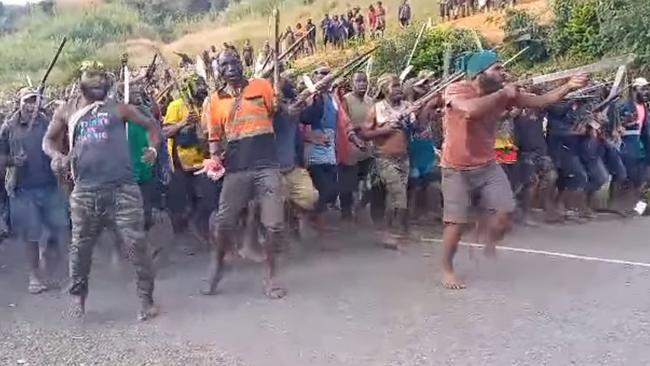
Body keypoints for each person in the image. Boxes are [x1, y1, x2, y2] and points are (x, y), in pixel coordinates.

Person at [440, 50, 587, 289]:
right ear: (480, 73)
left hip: (487, 165)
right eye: (497, 68)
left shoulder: (504, 95)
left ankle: (486, 231)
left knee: (506, 214)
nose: (503, 72)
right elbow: (470, 110)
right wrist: (502, 93)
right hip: (455, 168)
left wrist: (569, 86)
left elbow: (542, 101)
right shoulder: (457, 90)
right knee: (455, 225)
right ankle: (447, 269)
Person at [42, 60, 161, 320]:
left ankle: (146, 299)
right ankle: (78, 297)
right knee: (80, 248)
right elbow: (48, 140)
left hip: (123, 188)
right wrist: (56, 156)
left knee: (136, 244)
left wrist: (152, 149)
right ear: (81, 84)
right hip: (85, 190)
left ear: (107, 86)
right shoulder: (66, 111)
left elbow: (153, 127)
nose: (97, 85)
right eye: (91, 80)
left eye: (101, 81)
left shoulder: (119, 109)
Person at [202, 48, 286, 299]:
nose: (231, 67)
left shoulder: (262, 86)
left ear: (242, 63)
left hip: (267, 166)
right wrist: (215, 158)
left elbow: (274, 113)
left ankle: (271, 277)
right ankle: (217, 266)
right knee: (223, 223)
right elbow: (214, 136)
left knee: (274, 225)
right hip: (237, 168)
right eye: (225, 64)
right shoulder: (215, 101)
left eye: (234, 61)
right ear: (219, 71)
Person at [0, 88, 68, 294]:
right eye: (27, 101)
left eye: (35, 102)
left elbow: (59, 145)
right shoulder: (8, 128)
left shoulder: (48, 123)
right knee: (31, 235)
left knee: (59, 228)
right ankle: (34, 277)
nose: (31, 106)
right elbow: (1, 157)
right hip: (22, 190)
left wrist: (58, 159)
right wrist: (12, 161)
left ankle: (48, 266)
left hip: (49, 186)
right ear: (19, 103)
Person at [163, 74, 219, 251]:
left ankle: (202, 231)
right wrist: (183, 123)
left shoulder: (205, 105)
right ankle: (186, 240)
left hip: (203, 161)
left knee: (209, 201)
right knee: (186, 203)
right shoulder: (176, 106)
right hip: (181, 164)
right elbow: (165, 132)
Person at [360, 74, 414, 249]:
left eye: (399, 85)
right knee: (399, 196)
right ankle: (393, 233)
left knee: (394, 198)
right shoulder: (377, 108)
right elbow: (365, 133)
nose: (398, 89)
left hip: (404, 159)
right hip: (384, 159)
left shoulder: (407, 107)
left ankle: (389, 232)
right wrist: (384, 130)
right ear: (385, 90)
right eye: (394, 86)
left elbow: (417, 128)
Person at [341, 72, 374, 220]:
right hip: (350, 149)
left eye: (364, 81)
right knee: (348, 184)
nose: (362, 84)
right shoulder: (346, 100)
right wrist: (359, 127)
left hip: (367, 150)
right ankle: (346, 214)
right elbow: (343, 123)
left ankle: (360, 208)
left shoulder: (370, 101)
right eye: (358, 81)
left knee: (370, 183)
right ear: (352, 83)